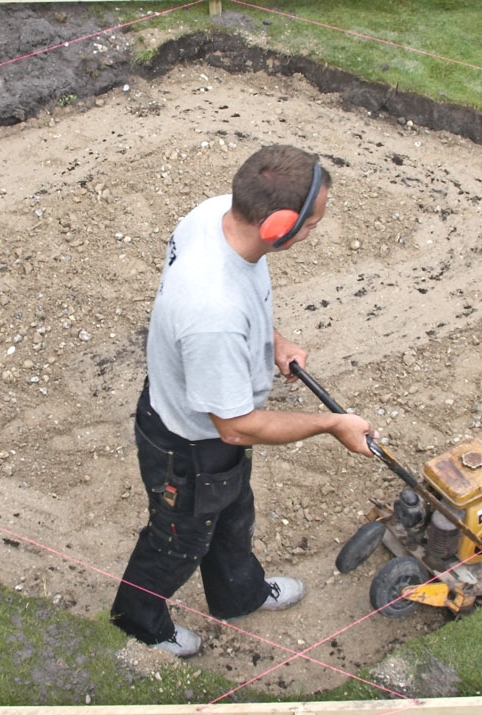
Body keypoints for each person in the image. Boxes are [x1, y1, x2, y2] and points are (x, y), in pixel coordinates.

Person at [110, 144, 374, 658]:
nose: (315, 231)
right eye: (312, 224)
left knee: (232, 515)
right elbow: (235, 427)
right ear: (277, 227)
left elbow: (244, 302)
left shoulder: (217, 216)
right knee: (178, 539)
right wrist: (331, 425)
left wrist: (272, 342)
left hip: (209, 426)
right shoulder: (214, 313)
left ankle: (239, 594)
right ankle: (137, 618)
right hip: (187, 444)